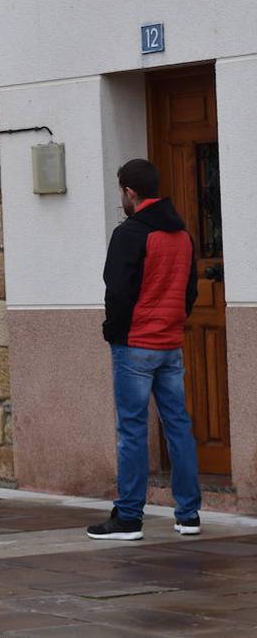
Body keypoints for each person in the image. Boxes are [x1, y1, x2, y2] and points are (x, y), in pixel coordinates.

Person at [87, 159, 201, 541]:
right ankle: (188, 515)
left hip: (135, 345)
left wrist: (112, 332)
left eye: (121, 191)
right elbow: (189, 292)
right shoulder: (182, 235)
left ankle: (129, 518)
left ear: (130, 191)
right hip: (170, 344)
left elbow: (117, 292)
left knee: (133, 431)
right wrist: (173, 322)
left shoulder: (131, 233)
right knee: (179, 427)